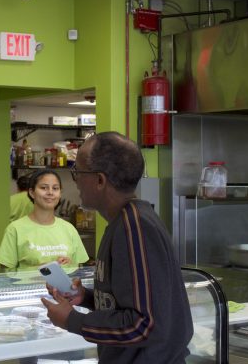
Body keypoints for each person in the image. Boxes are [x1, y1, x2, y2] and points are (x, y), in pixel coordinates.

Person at [41, 132, 193, 363]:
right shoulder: (124, 222)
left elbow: (143, 324)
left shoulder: (135, 227)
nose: (76, 181)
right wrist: (86, 298)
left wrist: (72, 320)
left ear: (100, 180)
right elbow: (130, 304)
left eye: (78, 173)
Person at [0, 169, 89, 269]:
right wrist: (37, 270)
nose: (50, 192)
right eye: (44, 188)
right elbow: (5, 272)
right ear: (32, 193)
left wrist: (70, 264)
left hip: (64, 285)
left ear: (60, 193)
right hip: (29, 285)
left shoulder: (69, 229)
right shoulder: (15, 229)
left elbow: (80, 268)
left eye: (55, 188)